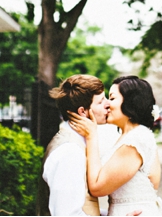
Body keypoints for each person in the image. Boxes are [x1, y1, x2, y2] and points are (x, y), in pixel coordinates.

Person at [69, 75, 162, 216]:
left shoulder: (135, 140)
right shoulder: (134, 136)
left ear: (130, 103)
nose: (108, 104)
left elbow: (97, 188)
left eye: (112, 98)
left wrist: (91, 136)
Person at [37, 74, 110, 216]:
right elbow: (67, 213)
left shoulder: (76, 143)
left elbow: (85, 206)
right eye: (101, 102)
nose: (108, 104)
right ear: (83, 111)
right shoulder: (69, 151)